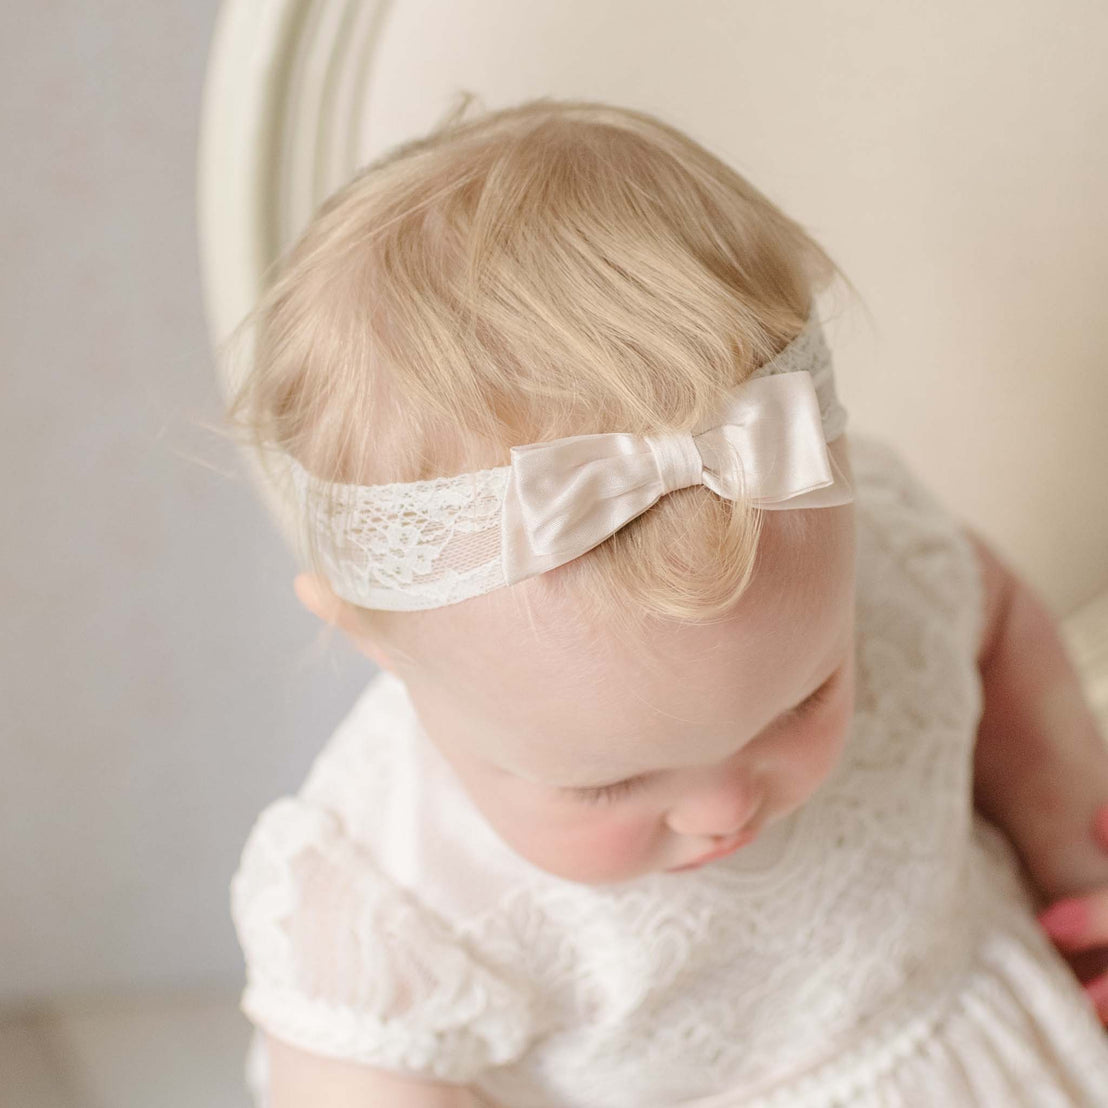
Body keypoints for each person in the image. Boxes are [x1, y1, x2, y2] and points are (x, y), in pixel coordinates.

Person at [221, 96, 1108, 1107]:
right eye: (609, 784)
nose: (724, 807)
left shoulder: (885, 558)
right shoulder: (394, 888)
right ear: (375, 638)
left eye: (800, 701)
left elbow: (987, 618)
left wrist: (1071, 847)